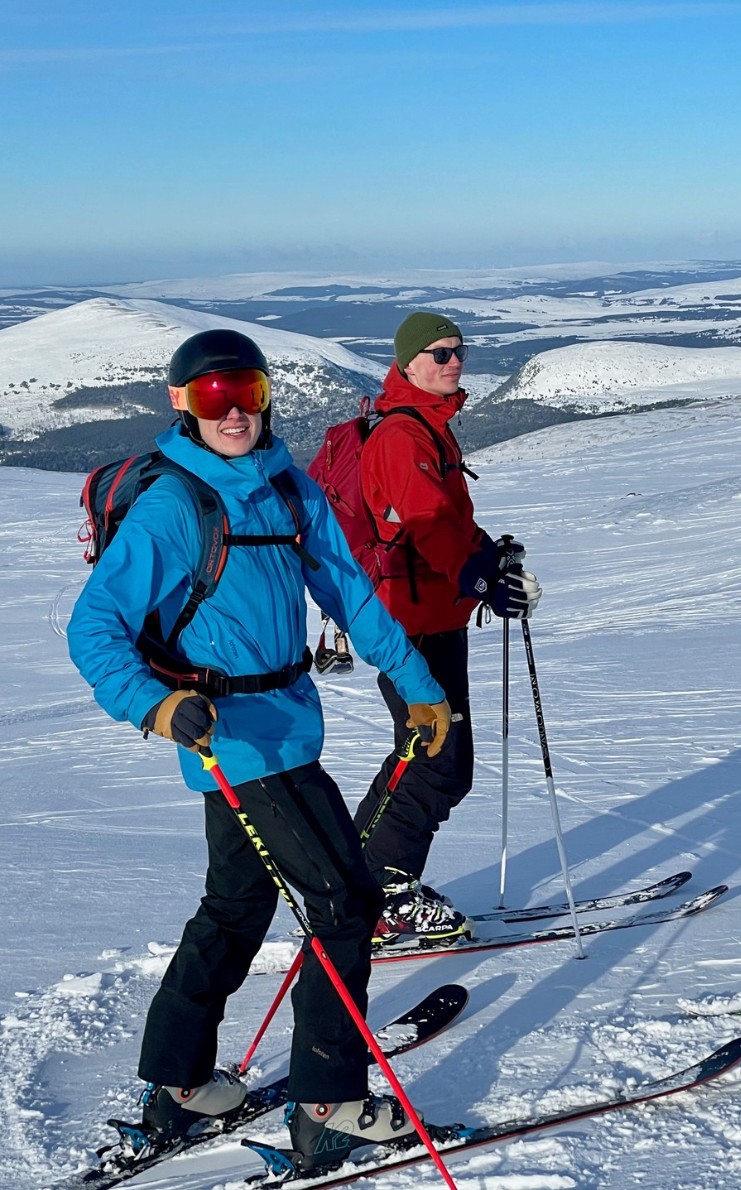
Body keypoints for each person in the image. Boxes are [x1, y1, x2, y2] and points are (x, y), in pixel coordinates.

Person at [67, 329, 451, 1173]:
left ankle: (179, 1082)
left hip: (287, 721)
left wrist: (419, 685)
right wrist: (154, 705)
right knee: (345, 905)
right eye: (211, 396)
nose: (233, 409)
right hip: (234, 738)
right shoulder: (176, 505)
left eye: (245, 389)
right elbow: (94, 628)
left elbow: (348, 590)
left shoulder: (286, 486)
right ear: (181, 404)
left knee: (236, 909)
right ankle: (329, 1104)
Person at [350, 311, 541, 942]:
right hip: (411, 626)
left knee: (427, 754)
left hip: (431, 617)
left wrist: (488, 556)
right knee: (436, 759)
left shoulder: (428, 426)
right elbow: (429, 528)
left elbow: (447, 520)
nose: (452, 360)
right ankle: (378, 895)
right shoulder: (402, 436)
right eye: (437, 353)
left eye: (459, 349)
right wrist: (483, 579)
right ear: (407, 362)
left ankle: (357, 883)